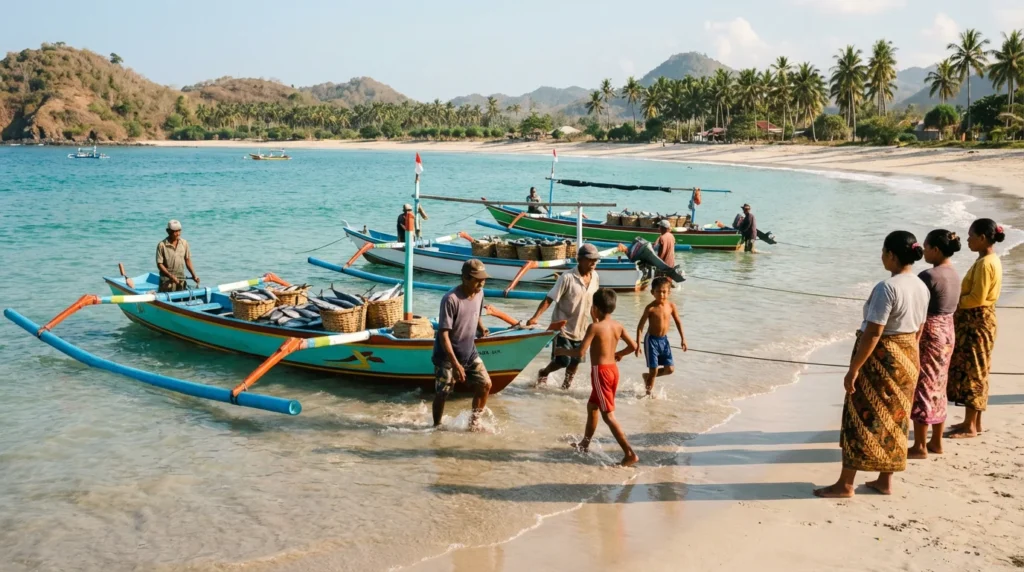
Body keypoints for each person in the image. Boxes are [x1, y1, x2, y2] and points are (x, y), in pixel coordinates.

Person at [814, 231, 929, 498]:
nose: (881, 256)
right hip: (907, 355)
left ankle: (845, 483)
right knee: (895, 419)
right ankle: (885, 480)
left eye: (883, 251)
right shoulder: (920, 285)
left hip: (881, 359)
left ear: (891, 254)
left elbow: (874, 332)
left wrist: (854, 369)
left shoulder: (887, 288)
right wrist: (907, 355)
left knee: (860, 417)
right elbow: (919, 329)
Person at [554, 288, 639, 467]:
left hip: (600, 373)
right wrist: (618, 354)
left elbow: (580, 351)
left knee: (608, 415)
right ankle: (585, 444)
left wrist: (562, 350)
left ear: (595, 308)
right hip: (613, 370)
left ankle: (629, 453)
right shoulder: (618, 325)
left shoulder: (594, 327)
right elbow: (633, 346)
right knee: (592, 406)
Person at [946, 218, 1005, 439]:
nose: (968, 239)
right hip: (982, 320)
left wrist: (954, 303)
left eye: (971, 236)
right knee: (979, 369)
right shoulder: (989, 260)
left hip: (977, 321)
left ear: (982, 238)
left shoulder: (986, 263)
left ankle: (970, 426)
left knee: (974, 371)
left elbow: (977, 298)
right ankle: (973, 422)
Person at [908, 229, 961, 459]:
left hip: (931, 331)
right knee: (939, 384)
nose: (925, 252)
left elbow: (918, 309)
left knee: (923, 385)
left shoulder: (929, 276)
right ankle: (936, 441)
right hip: (948, 330)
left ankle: (919, 445)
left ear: (936, 250)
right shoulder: (954, 273)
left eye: (927, 247)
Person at [526, 243, 602, 389]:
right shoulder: (567, 277)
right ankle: (544, 372)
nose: (593, 263)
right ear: (580, 260)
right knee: (563, 361)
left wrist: (597, 323)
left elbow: (594, 304)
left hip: (582, 329)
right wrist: (535, 318)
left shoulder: (595, 278)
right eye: (590, 259)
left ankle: (565, 388)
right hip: (563, 328)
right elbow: (549, 298)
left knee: (575, 362)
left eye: (596, 260)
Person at [432, 259, 492, 429]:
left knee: (485, 384)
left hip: (469, 352)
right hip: (446, 356)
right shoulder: (450, 299)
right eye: (477, 279)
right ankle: (436, 427)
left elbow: (476, 314)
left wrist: (481, 327)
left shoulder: (480, 293)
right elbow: (443, 334)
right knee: (443, 392)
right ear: (465, 278)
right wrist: (455, 364)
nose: (481, 283)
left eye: (483, 279)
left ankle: (474, 423)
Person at [635, 276, 686, 397]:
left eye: (664, 292)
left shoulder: (671, 306)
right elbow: (640, 327)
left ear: (669, 292)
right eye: (658, 291)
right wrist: (638, 344)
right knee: (654, 369)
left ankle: (647, 377)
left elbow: (678, 322)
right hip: (651, 340)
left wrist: (683, 339)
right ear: (653, 292)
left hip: (664, 340)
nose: (661, 294)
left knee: (670, 369)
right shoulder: (650, 308)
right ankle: (648, 395)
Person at [156, 219, 198, 293]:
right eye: (175, 231)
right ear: (168, 231)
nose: (178, 234)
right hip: (167, 281)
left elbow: (187, 260)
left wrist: (194, 275)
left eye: (179, 231)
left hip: (181, 280)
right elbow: (160, 264)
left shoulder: (184, 243)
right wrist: (170, 276)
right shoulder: (162, 245)